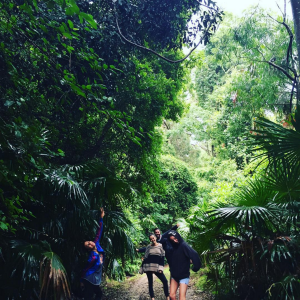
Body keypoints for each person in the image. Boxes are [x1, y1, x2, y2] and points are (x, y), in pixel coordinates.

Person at [167, 230, 201, 300]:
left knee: (182, 298)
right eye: (173, 240)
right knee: (172, 296)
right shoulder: (172, 248)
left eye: (176, 238)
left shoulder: (183, 245)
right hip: (174, 276)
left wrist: (195, 267)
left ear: (178, 237)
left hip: (184, 276)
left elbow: (194, 254)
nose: (175, 241)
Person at [81, 207, 105, 300]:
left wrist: (101, 217)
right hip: (90, 278)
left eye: (89, 242)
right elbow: (86, 268)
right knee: (90, 296)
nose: (90, 243)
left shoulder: (97, 244)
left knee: (98, 294)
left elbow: (99, 231)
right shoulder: (92, 257)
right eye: (88, 245)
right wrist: (81, 280)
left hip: (95, 278)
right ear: (88, 249)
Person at [141, 233, 170, 300]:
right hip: (148, 266)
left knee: (165, 281)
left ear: (155, 238)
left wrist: (161, 268)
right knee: (150, 283)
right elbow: (146, 257)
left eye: (153, 238)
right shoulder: (148, 247)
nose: (152, 240)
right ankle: (152, 298)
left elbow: (162, 258)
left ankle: (167, 297)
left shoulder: (160, 246)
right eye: (151, 239)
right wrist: (142, 267)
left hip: (156, 267)